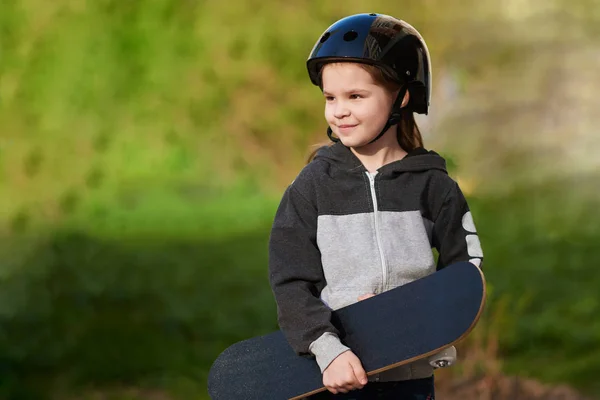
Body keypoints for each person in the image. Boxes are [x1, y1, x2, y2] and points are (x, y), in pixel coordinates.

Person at [268, 13, 483, 399]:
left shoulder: (433, 186)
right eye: (330, 98)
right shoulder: (313, 187)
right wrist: (326, 349)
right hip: (335, 373)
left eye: (355, 96)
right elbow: (290, 280)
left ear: (401, 95)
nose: (339, 110)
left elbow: (465, 271)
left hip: (411, 379)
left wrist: (440, 328)